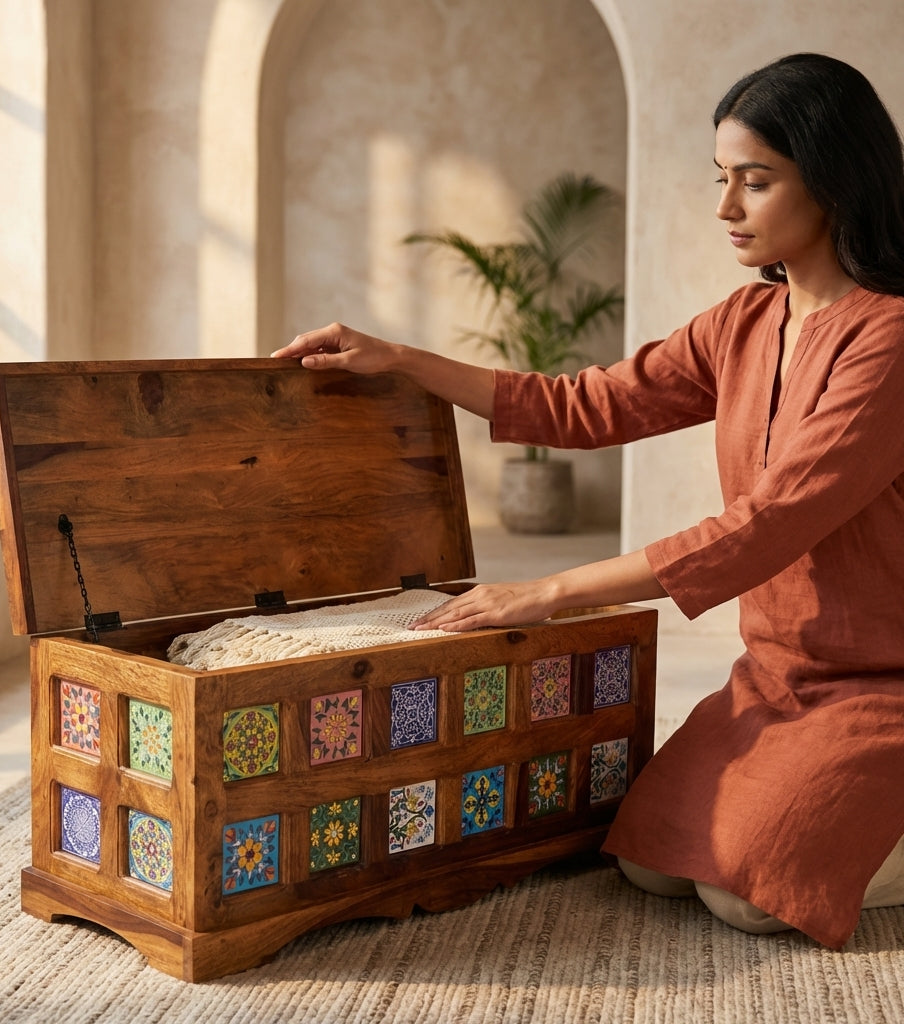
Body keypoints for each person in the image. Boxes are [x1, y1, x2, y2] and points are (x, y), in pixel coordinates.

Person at [271, 53, 904, 949]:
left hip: (881, 684)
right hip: (774, 676)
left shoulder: (890, 338)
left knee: (751, 898)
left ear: (835, 181)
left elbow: (767, 527)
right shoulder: (744, 321)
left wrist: (549, 592)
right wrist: (403, 361)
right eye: (721, 179)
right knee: (649, 860)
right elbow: (584, 404)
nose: (725, 207)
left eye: (755, 182)